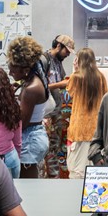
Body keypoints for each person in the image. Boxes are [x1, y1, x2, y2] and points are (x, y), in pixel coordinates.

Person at [7, 36, 49, 179]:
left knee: (27, 184)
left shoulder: (31, 88)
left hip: (30, 139)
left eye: (13, 71)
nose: (10, 73)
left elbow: (22, 123)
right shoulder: (33, 80)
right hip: (33, 135)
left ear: (25, 69)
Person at [66, 48, 107, 178]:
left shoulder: (76, 77)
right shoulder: (100, 77)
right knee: (93, 169)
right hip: (96, 127)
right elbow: (105, 96)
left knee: (76, 169)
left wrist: (74, 70)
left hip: (79, 128)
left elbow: (69, 93)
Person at [41, 34, 75, 179]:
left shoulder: (58, 62)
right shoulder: (43, 60)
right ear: (59, 46)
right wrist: (61, 84)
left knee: (54, 147)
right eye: (67, 51)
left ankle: (53, 178)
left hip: (56, 111)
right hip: (45, 113)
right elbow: (39, 86)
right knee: (46, 148)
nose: (68, 55)